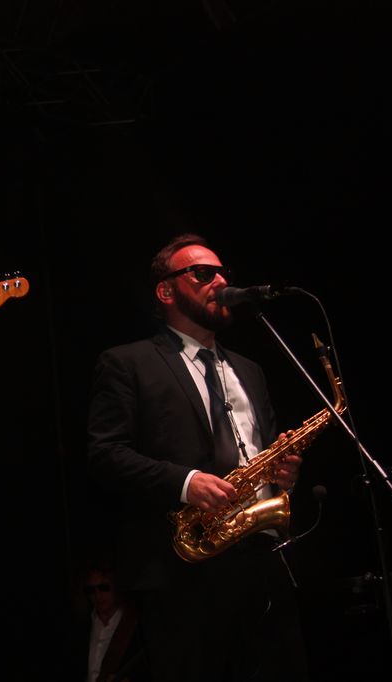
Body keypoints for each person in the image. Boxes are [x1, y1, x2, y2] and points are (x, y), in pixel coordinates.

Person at [85, 233, 308, 681]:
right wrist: (186, 482)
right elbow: (105, 453)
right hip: (182, 566)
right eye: (203, 274)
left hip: (261, 559)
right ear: (166, 291)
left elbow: (261, 449)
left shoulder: (250, 370)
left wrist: (282, 475)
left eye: (223, 273)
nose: (220, 282)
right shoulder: (128, 363)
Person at [81, 564, 144, 682]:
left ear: (116, 587)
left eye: (104, 588)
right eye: (91, 590)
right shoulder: (82, 626)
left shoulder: (135, 624)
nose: (97, 595)